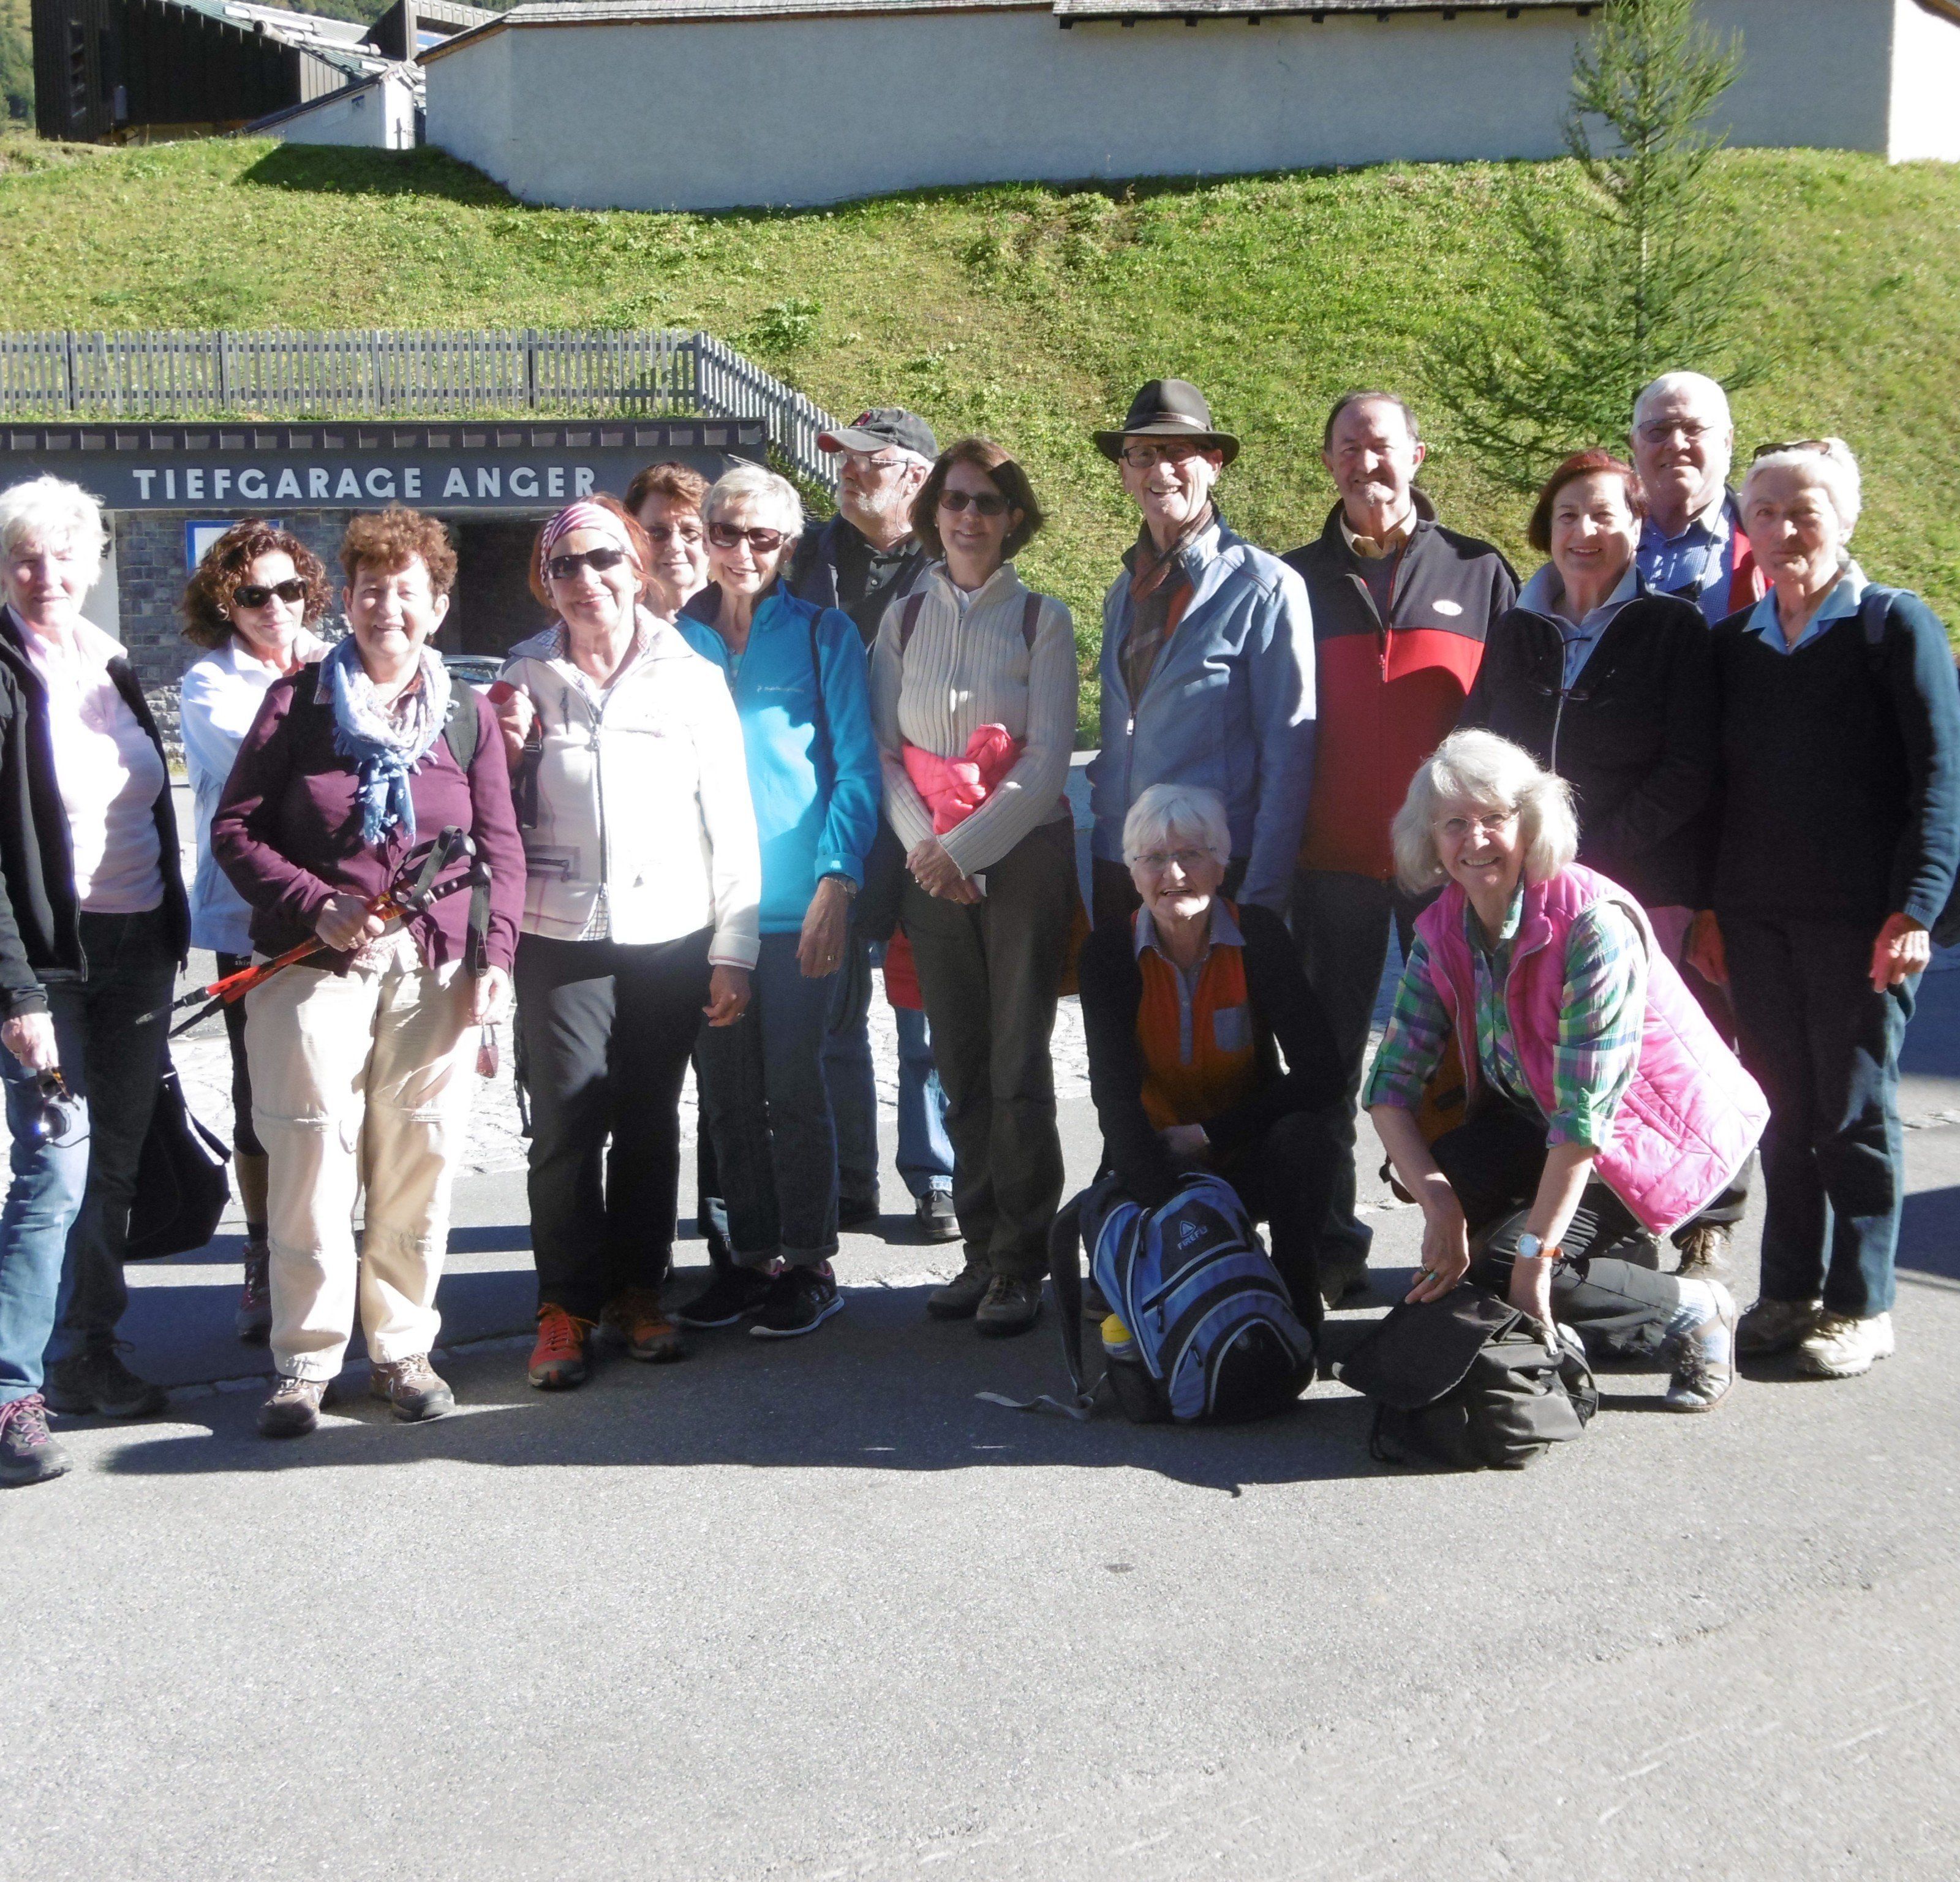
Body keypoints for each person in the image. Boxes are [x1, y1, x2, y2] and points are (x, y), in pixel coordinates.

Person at [211, 508, 524, 1438]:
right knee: (309, 1152)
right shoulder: (299, 702)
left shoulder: (465, 714)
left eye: (408, 589)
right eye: (371, 588)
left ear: (438, 604)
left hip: (433, 970)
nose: (389, 606)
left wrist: (496, 958)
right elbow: (235, 831)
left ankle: (401, 1349)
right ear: (345, 601)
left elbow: (501, 848)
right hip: (313, 965)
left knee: (418, 1155)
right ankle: (306, 1361)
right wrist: (314, 900)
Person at [1365, 730, 1759, 1413]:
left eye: (1495, 818)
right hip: (1546, 1121)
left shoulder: (1588, 924)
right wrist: (1437, 1205)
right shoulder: (1442, 927)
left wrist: (1532, 1259)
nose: (1476, 839)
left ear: (1532, 822)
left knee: (1507, 1261)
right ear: (1429, 840)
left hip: (1651, 1135)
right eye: (1454, 823)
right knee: (1451, 1182)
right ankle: (1602, 1280)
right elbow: (1389, 1088)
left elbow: (1585, 1119)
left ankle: (1694, 1308)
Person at [1690, 439, 1960, 1379]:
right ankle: (1789, 1292)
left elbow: (1939, 781)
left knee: (1854, 1112)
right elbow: (1719, 795)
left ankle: (1861, 1303)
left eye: (1801, 509)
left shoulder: (1895, 628)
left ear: (1845, 516)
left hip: (1865, 926)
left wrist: (1917, 906)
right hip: (1755, 921)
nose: (1781, 529)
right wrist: (1713, 912)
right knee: (1783, 1109)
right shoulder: (1734, 645)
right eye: (1763, 511)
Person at [492, 497, 760, 1391]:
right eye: (563, 567)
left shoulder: (689, 672)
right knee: (566, 1122)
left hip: (669, 931)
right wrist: (504, 750)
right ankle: (563, 1307)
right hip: (554, 929)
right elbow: (486, 807)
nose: (586, 581)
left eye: (602, 560)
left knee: (649, 1120)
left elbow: (730, 814)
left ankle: (639, 1292)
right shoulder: (522, 676)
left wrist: (735, 944)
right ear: (547, 583)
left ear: (636, 568)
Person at [1460, 450, 1740, 1278]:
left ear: (1637, 529)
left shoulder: (1672, 628)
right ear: (1547, 529)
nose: (1585, 533)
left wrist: (1587, 856)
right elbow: (1475, 749)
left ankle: (1704, 1220)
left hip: (1641, 883)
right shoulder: (1517, 627)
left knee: (1665, 1064)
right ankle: (1596, 1232)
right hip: (1531, 892)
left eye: (1606, 516)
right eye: (1569, 516)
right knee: (1568, 1060)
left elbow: (1690, 769)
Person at [1281, 389, 1517, 1305]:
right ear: (1329, 462)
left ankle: (1471, 1244)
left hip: (1448, 875)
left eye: (1380, 445)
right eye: (1347, 447)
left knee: (1470, 1064)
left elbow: (1509, 727)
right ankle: (1329, 1249)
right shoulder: (1291, 579)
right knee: (1328, 1068)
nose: (1364, 462)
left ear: (1417, 455)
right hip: (1330, 862)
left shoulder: (1480, 571)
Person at [0, 477, 187, 1476]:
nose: (46, 574)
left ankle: (88, 1356)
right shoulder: (2, 668)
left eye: (64, 556)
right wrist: (17, 992)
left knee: (110, 1164)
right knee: (55, 1160)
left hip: (137, 950)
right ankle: (8, 1391)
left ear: (93, 565)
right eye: (26, 556)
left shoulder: (108, 664)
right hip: (47, 964)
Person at [869, 437, 1077, 1336]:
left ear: (1014, 520)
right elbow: (883, 748)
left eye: (988, 503)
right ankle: (982, 1248)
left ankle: (1023, 1262)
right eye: (955, 500)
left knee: (1016, 1062)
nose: (968, 517)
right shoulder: (903, 620)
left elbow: (1048, 759)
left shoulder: (1043, 621)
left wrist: (969, 849)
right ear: (933, 514)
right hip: (931, 866)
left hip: (1022, 859)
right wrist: (931, 850)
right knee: (957, 1060)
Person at [677, 466, 881, 1339]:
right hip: (698, 908)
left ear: (789, 547)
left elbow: (858, 769)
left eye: (764, 538)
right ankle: (749, 1258)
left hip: (798, 904)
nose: (743, 552)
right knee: (726, 1096)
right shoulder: (670, 639)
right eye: (727, 533)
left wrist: (839, 879)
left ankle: (808, 1261)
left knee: (795, 1090)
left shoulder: (823, 634)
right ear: (704, 537)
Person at [1078, 783, 1344, 1327]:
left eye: (1191, 855)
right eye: (1153, 859)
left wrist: (1209, 1134)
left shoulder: (1261, 938)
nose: (1174, 875)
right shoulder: (1108, 954)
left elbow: (1322, 1075)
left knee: (1308, 1139)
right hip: (1153, 1155)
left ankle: (1298, 1288)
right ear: (1132, 873)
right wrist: (1170, 1207)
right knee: (1127, 1279)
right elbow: (1114, 1098)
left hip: (1245, 1147)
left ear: (1221, 866)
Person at [789, 407, 957, 1240]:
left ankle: (936, 1179)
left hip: (929, 815)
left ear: (915, 479)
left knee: (924, 1016)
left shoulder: (959, 559)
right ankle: (849, 1179)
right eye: (843, 463)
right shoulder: (802, 559)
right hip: (837, 813)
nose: (849, 475)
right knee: (835, 1012)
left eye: (869, 464)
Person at [1086, 379, 1316, 931]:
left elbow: (1290, 757)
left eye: (1177, 453)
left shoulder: (1265, 587)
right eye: (1142, 454)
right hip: (1124, 863)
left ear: (1214, 463)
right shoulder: (1123, 592)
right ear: (1124, 472)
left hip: (1211, 871)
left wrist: (1262, 895)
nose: (1159, 471)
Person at [179, 520, 331, 1344]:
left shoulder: (334, 660)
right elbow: (269, 776)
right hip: (251, 914)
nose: (275, 607)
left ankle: (336, 1248)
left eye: (289, 590)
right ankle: (263, 1253)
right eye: (253, 595)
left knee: (338, 1088)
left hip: (344, 913)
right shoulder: (211, 685)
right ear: (225, 606)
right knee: (258, 1094)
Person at [1629, 372, 1766, 624]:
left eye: (1694, 428)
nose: (1676, 444)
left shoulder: (1769, 543)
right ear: (1635, 445)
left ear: (1727, 442)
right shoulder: (1600, 537)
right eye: (1657, 430)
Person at [625, 461, 712, 616]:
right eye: (658, 533)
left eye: (690, 532)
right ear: (633, 537)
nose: (675, 545)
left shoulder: (741, 627)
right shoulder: (614, 629)